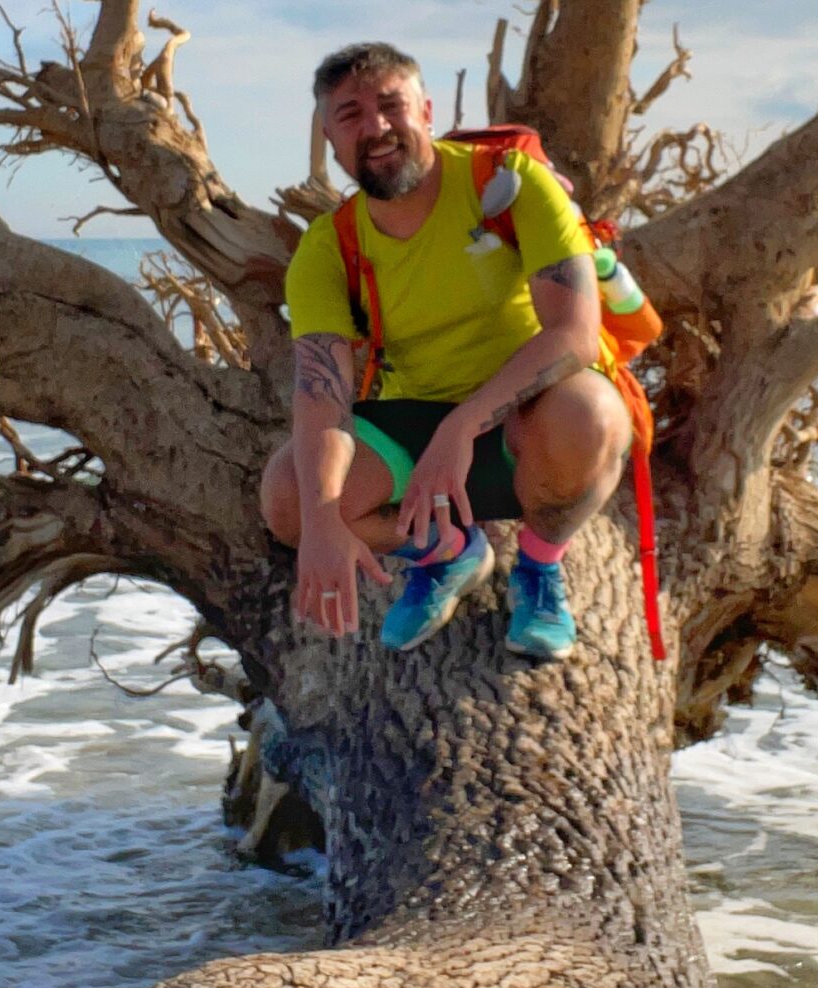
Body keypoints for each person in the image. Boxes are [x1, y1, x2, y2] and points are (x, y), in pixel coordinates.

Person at [261, 40, 632, 660]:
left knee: (591, 418)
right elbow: (320, 393)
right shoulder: (330, 245)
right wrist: (322, 523)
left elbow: (574, 334)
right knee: (288, 499)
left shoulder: (510, 185)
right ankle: (450, 552)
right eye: (350, 115)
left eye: (390, 104)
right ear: (330, 140)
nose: (375, 127)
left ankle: (540, 569)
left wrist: (461, 427)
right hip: (411, 424)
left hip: (532, 411)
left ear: (426, 111)